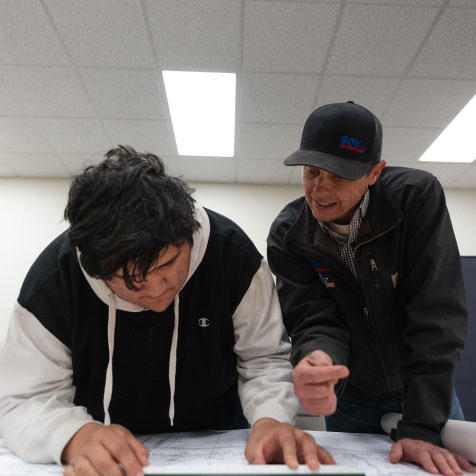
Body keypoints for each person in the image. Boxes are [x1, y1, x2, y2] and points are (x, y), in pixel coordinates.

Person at [0, 146, 335, 475]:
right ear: (96, 269)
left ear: (188, 233)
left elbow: (263, 359)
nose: (158, 291)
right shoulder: (54, 282)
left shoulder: (233, 258)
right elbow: (21, 399)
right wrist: (71, 436)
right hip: (104, 453)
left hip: (217, 446)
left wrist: (271, 420)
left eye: (169, 264)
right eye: (131, 281)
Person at [267, 102, 475, 476]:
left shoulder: (414, 198)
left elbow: (435, 313)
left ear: (374, 172)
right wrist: (318, 358)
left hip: (424, 391)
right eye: (311, 172)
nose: (321, 190)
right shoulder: (289, 234)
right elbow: (313, 318)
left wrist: (423, 425)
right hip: (353, 400)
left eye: (341, 177)